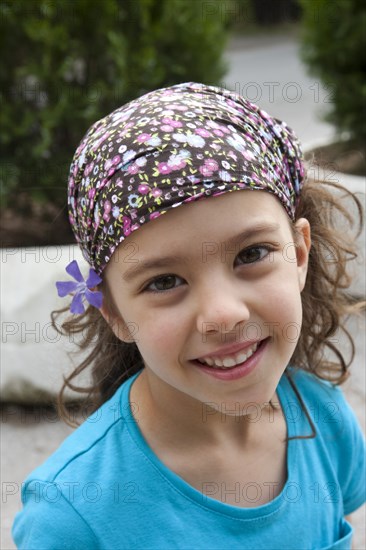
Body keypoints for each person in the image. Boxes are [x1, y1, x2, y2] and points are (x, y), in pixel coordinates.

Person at [12, 82, 365, 549]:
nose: (223, 315)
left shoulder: (325, 420)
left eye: (252, 253)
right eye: (163, 282)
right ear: (113, 310)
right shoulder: (75, 516)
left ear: (299, 253)